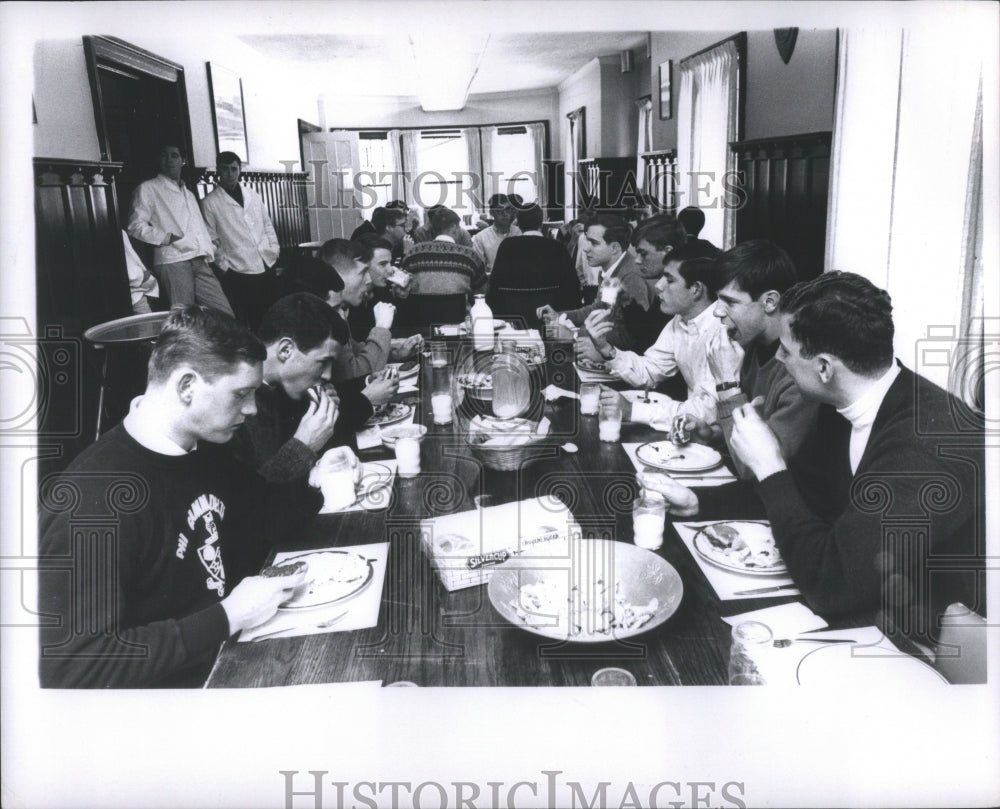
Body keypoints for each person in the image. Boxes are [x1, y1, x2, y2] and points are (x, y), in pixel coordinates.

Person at [643, 272, 984, 647]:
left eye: (787, 351)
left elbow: (833, 586)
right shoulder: (842, 401)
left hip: (920, 642)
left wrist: (770, 464)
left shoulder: (928, 444)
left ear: (824, 367)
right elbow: (803, 493)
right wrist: (699, 501)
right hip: (864, 602)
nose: (777, 357)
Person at [38, 306, 319, 688]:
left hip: (235, 660)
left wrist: (317, 478)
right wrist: (227, 616)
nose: (252, 409)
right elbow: (75, 666)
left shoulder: (207, 449)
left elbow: (262, 520)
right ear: (187, 386)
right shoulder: (94, 499)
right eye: (240, 394)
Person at [685, 239, 818, 479]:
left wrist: (727, 385)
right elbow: (748, 425)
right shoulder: (750, 347)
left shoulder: (800, 372)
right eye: (718, 299)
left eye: (730, 302)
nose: (717, 311)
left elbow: (755, 468)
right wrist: (714, 434)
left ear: (769, 301)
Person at [228, 293, 381, 481]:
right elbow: (253, 500)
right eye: (323, 362)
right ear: (285, 350)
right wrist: (304, 445)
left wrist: (320, 418)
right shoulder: (234, 405)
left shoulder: (275, 390)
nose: (327, 375)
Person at [594, 246, 735, 428]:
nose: (659, 286)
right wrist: (607, 349)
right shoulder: (680, 320)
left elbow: (709, 409)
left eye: (669, 279)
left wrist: (632, 411)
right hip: (691, 428)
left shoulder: (722, 332)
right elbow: (651, 370)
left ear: (696, 289)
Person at [126, 143, 234, 316]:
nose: (169, 160)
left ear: (183, 160)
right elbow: (135, 226)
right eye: (164, 155)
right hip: (173, 261)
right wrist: (168, 238)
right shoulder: (148, 188)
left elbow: (198, 228)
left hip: (199, 260)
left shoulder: (188, 193)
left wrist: (213, 251)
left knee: (223, 314)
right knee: (184, 317)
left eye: (174, 156)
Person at [537, 214, 653, 354]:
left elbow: (632, 337)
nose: (586, 249)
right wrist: (560, 316)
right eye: (587, 242)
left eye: (594, 243)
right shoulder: (611, 271)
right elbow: (600, 308)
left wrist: (573, 335)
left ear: (614, 248)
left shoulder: (631, 278)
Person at [200, 151, 281, 331]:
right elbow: (212, 240)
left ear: (240, 170)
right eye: (225, 169)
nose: (230, 174)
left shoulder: (253, 195)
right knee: (247, 319)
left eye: (234, 169)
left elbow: (267, 224)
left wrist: (274, 248)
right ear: (218, 171)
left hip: (265, 262)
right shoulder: (210, 203)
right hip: (238, 269)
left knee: (270, 315)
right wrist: (225, 267)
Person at [486, 203, 580, 328]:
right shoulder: (557, 248)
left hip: (513, 320)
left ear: (518, 223)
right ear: (541, 223)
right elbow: (572, 288)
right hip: (550, 319)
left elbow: (495, 288)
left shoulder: (507, 246)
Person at [402, 207, 487, 298]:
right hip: (459, 311)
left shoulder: (413, 254)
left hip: (421, 311)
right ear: (454, 228)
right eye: (459, 227)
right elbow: (481, 292)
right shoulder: (470, 256)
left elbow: (402, 288)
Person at [471, 193, 522, 274]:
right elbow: (477, 269)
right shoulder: (481, 238)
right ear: (492, 213)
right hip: (492, 282)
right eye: (499, 210)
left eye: (508, 209)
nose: (505, 214)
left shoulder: (520, 233)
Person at [121, 230, 160, 315]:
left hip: (131, 294)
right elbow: (130, 271)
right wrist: (142, 276)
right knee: (147, 327)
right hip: (134, 295)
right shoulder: (115, 232)